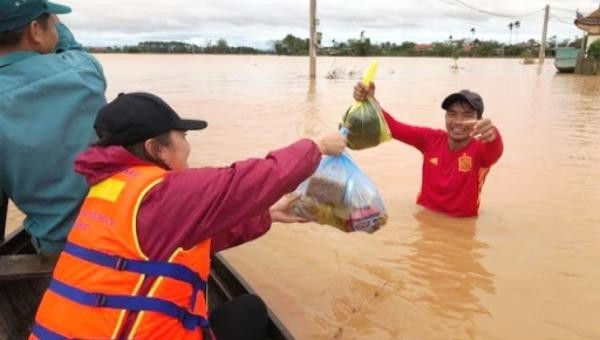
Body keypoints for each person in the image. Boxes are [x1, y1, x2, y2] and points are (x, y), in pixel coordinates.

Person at [31, 92, 346, 340]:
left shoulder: (108, 190)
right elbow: (246, 181)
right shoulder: (163, 193)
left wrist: (266, 215)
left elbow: (181, 245)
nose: (188, 146)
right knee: (249, 312)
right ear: (157, 149)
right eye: (182, 136)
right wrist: (315, 146)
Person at [0, 0, 107, 253]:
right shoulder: (85, 70)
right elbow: (71, 47)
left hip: (54, 244)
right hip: (111, 230)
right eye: (52, 22)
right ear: (35, 30)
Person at [353, 82, 503, 217]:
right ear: (445, 117)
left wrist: (493, 133)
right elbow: (393, 128)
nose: (458, 122)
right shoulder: (431, 139)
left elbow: (495, 150)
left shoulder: (481, 150)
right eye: (452, 114)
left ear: (479, 120)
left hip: (461, 225)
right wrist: (370, 101)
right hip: (424, 217)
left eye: (467, 115)